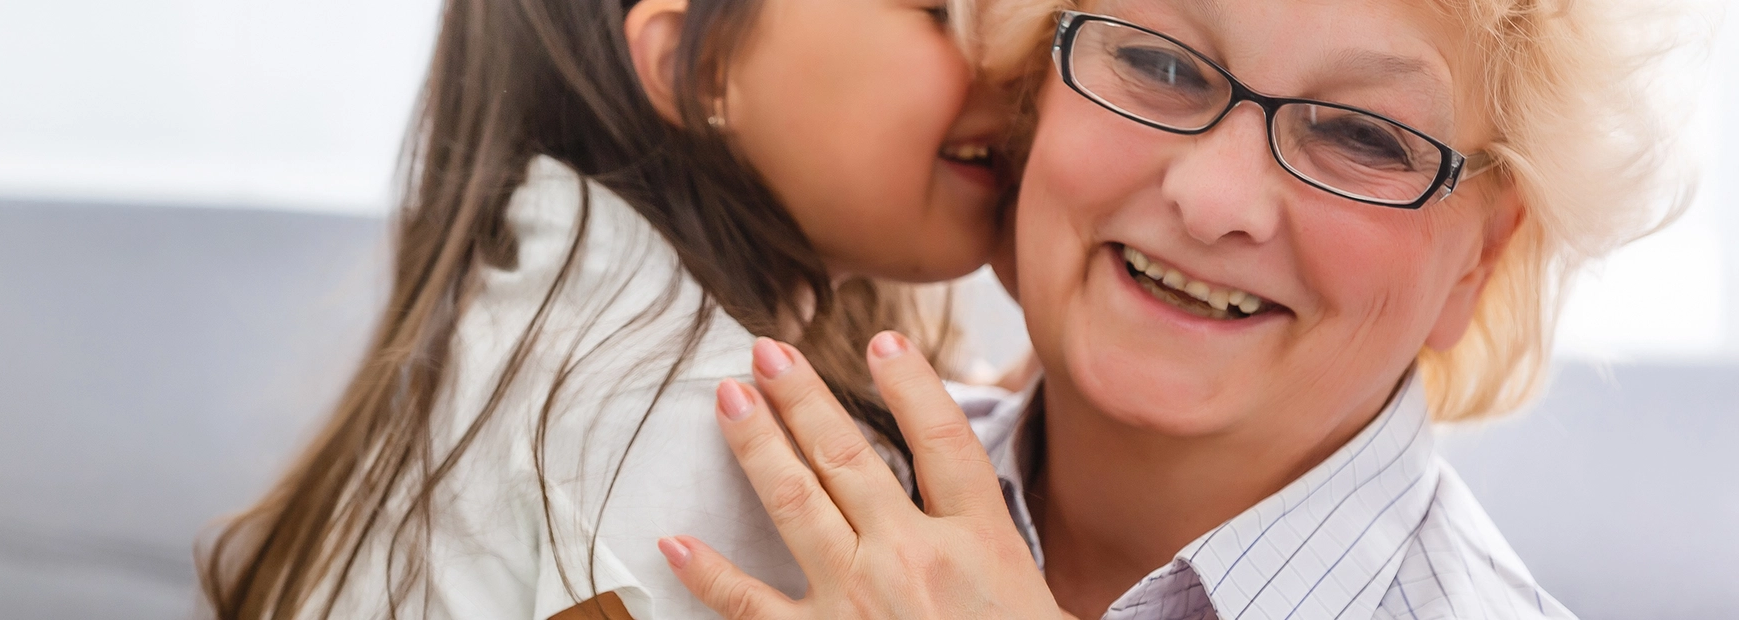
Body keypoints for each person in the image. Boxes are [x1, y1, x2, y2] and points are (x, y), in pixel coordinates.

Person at [663, 0, 1679, 617]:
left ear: (1481, 258)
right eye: (1156, 63)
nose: (1214, 199)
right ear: (1031, 102)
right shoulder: (757, 493)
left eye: (1364, 136)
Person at [197, 0, 1014, 618]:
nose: (1008, 54)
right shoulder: (692, 423)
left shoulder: (550, 315)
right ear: (699, 70)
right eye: (942, 10)